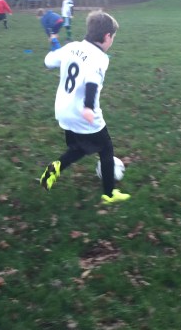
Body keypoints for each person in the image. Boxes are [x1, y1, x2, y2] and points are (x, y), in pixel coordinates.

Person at [39, 10, 131, 205]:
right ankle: (109, 194)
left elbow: (48, 61)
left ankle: (51, 171)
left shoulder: (72, 47)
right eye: (113, 37)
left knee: (80, 147)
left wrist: (56, 47)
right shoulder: (100, 58)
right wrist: (88, 107)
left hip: (63, 111)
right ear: (107, 36)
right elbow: (92, 82)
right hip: (83, 113)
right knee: (106, 148)